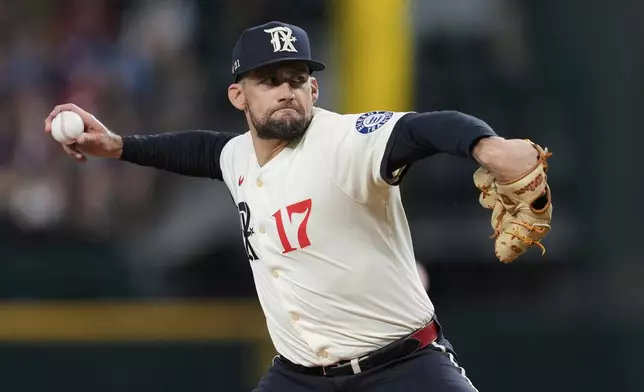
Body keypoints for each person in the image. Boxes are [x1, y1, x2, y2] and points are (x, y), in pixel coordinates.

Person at [45, 21, 545, 392]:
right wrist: (118, 145)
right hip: (299, 377)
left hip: (403, 368)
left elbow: (423, 129)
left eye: (296, 77)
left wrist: (486, 146)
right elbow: (197, 151)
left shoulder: (346, 142)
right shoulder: (237, 155)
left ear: (314, 87)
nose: (286, 90)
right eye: (269, 80)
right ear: (239, 96)